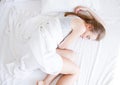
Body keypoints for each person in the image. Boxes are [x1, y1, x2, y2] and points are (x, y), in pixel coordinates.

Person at [37, 6, 106, 85]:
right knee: (75, 69)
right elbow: (62, 46)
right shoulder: (81, 28)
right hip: (44, 43)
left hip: (43, 38)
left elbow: (102, 26)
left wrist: (89, 10)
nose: (84, 38)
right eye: (88, 36)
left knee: (72, 56)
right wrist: (88, 10)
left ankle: (45, 82)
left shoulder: (77, 18)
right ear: (90, 26)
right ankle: (45, 81)